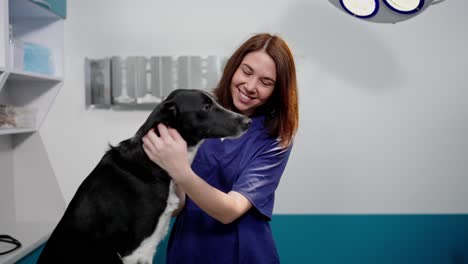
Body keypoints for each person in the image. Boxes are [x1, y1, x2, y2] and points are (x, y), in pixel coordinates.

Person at [142, 33, 299, 263]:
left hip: (243, 253)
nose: (251, 86)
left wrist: (179, 170)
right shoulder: (194, 115)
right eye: (246, 72)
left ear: (277, 90)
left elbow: (230, 210)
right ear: (233, 67)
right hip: (188, 248)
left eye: (266, 83)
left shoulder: (275, 139)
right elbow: (178, 205)